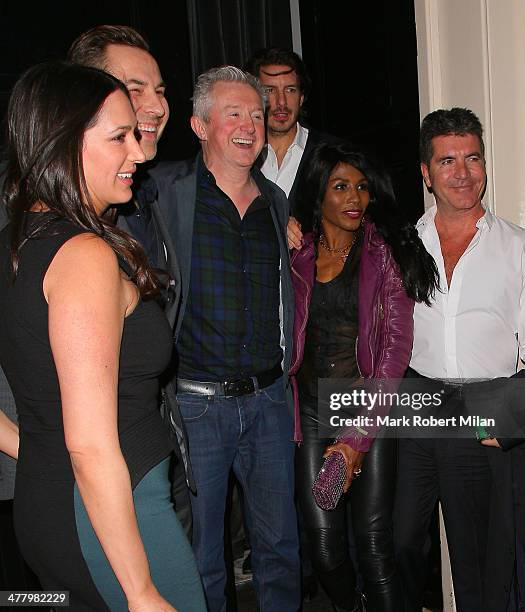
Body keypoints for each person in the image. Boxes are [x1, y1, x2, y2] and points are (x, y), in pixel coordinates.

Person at [0, 61, 205, 611]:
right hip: (115, 520)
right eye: (120, 137)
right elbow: (91, 445)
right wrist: (140, 591)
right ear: (63, 144)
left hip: (54, 507)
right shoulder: (83, 254)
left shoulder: (16, 241)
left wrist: (44, 453)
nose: (138, 153)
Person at [143, 65, 300, 612]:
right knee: (202, 556)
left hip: (268, 401)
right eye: (233, 113)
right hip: (196, 404)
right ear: (199, 124)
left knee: (281, 548)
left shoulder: (276, 203)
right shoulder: (163, 192)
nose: (249, 125)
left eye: (255, 114)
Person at [392, 107, 525, 611]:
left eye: (472, 158)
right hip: (418, 403)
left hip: (484, 405)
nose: (462, 173)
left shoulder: (522, 249)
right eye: (447, 161)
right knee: (399, 540)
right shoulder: (401, 245)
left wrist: (517, 413)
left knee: (476, 560)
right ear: (426, 172)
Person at [288, 142, 438, 612]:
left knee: (373, 543)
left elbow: (394, 352)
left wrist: (358, 436)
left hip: (369, 408)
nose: (354, 197)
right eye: (340, 187)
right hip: (311, 410)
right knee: (324, 546)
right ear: (319, 195)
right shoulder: (297, 257)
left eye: (361, 188)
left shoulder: (383, 254)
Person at [68, 25, 192, 529]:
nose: (157, 105)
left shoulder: (146, 197)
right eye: (134, 88)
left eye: (159, 89)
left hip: (156, 450)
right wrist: (31, 451)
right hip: (81, 480)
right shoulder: (40, 219)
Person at [245, 47, 341, 213]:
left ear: (301, 97)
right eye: (269, 90)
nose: (281, 102)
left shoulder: (332, 153)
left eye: (290, 90)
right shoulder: (239, 154)